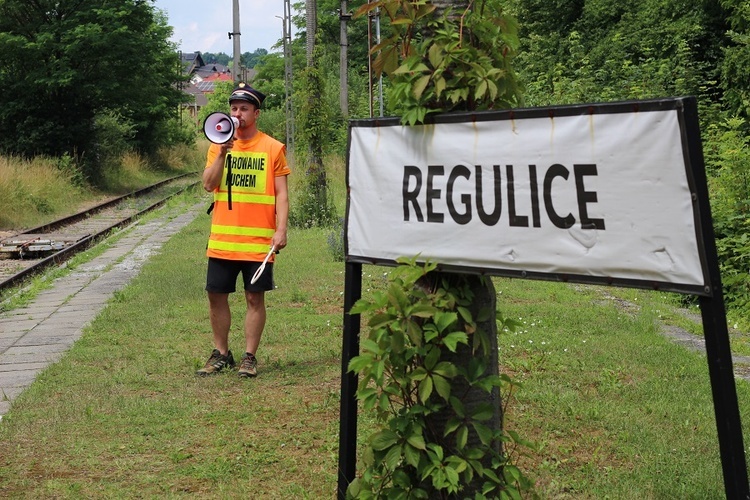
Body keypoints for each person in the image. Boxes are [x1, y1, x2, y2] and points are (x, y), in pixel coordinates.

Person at [197, 82, 290, 378]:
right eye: (234, 108)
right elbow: (209, 184)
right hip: (223, 239)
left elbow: (282, 194)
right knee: (216, 295)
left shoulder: (273, 148)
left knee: (254, 298)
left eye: (244, 109)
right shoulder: (217, 144)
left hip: (258, 241)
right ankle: (221, 353)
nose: (238, 113)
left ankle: (249, 357)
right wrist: (223, 153)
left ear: (256, 113)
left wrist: (281, 230)